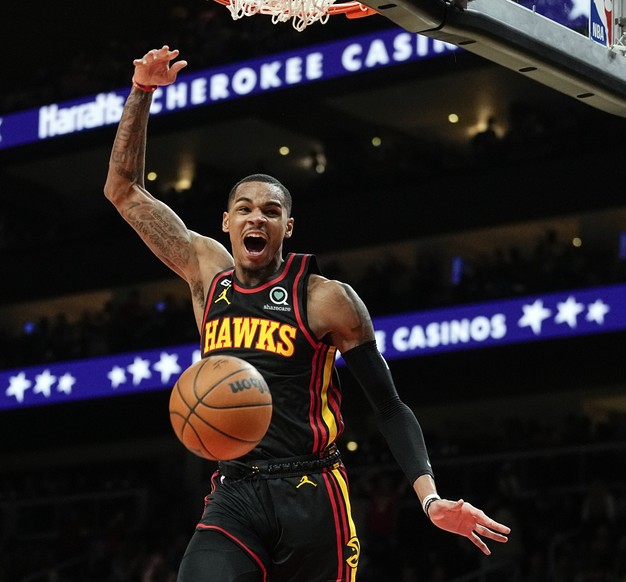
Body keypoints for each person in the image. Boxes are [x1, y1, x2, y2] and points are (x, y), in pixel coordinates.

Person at [104, 45, 510, 582]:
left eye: (271, 211)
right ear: (226, 222)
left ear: (287, 228)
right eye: (245, 209)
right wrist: (140, 93)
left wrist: (430, 498)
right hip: (236, 489)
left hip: (314, 493)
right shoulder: (207, 274)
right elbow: (122, 189)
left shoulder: (326, 299)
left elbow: (388, 406)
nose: (257, 218)